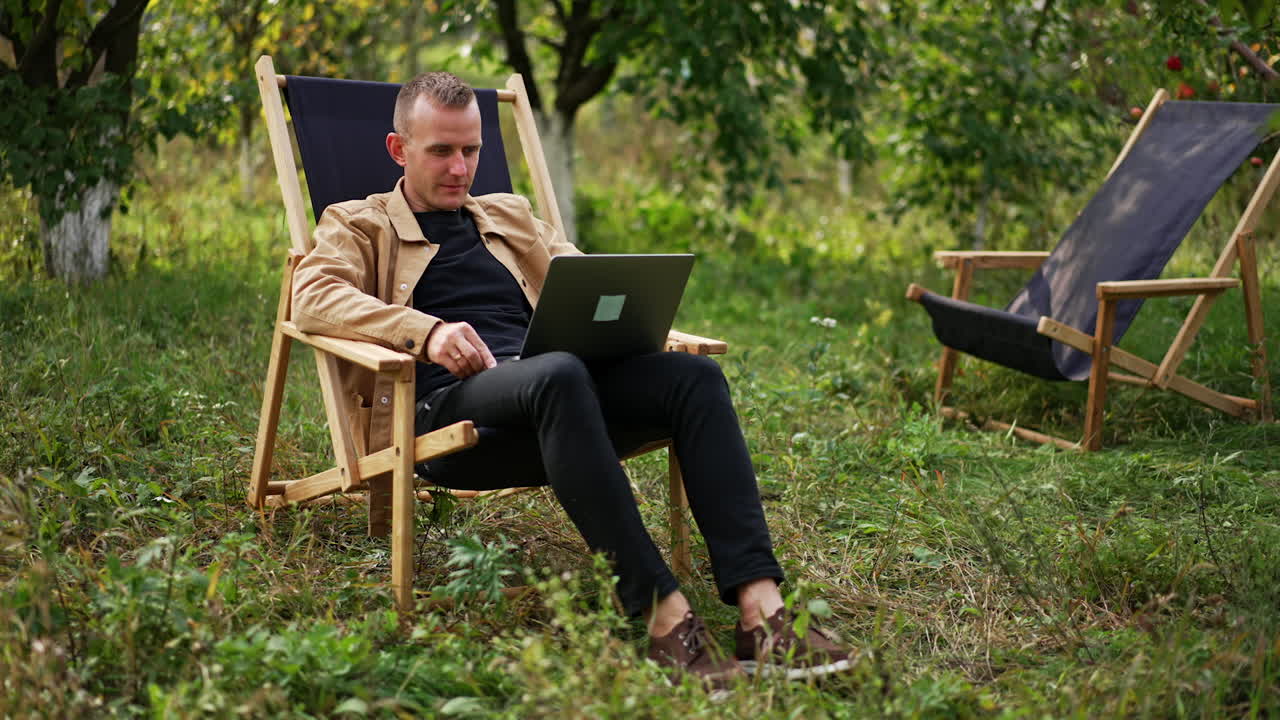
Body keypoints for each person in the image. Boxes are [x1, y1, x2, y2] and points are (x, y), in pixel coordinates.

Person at [291, 71, 851, 688]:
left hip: (559, 401)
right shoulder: (357, 223)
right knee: (556, 373)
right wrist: (427, 332)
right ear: (400, 150)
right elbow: (311, 296)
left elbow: (581, 276)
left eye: (471, 150)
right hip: (451, 413)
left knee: (694, 377)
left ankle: (761, 612)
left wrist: (622, 313)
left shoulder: (509, 215)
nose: (460, 168)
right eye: (441, 151)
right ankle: (664, 617)